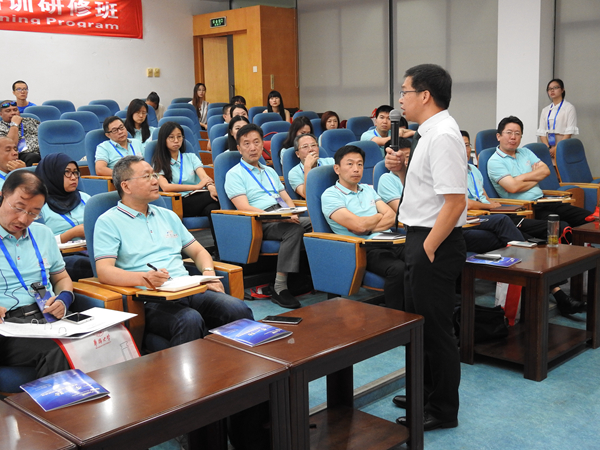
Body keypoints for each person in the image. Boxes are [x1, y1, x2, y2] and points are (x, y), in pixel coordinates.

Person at [94, 155, 253, 348]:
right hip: (149, 299)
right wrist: (144, 278)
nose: (155, 181)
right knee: (189, 319)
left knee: (236, 308)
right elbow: (104, 271)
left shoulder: (167, 215)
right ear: (126, 186)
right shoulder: (108, 222)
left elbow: (199, 252)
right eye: (146, 176)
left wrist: (208, 273)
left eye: (154, 175)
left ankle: (242, 364)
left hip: (187, 289)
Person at [386, 64, 465, 431]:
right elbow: (426, 190)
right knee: (419, 325)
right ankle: (425, 392)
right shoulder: (426, 132)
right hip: (419, 235)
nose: (401, 99)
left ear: (425, 95)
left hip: (434, 241)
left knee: (436, 330)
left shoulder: (443, 135)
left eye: (405, 91)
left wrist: (429, 248)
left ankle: (443, 409)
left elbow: (455, 202)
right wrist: (401, 171)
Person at [460, 129, 584, 315]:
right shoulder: (449, 172)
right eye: (459, 145)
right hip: (472, 219)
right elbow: (465, 203)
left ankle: (554, 291)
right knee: (509, 227)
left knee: (522, 237)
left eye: (467, 145)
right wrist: (489, 206)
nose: (464, 149)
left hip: (489, 216)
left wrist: (492, 205)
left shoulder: (474, 170)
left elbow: (485, 198)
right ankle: (553, 290)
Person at [224, 124, 312, 309]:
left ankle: (310, 277)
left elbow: (285, 197)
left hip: (281, 214)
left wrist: (291, 211)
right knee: (293, 230)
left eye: (256, 142)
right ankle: (280, 288)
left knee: (317, 223)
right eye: (247, 143)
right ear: (239, 148)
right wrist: (279, 217)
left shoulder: (269, 171)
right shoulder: (234, 174)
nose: (253, 147)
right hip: (258, 221)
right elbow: (244, 207)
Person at [0, 171, 72, 378]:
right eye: (18, 208)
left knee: (103, 338)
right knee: (56, 351)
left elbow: (61, 277)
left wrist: (64, 299)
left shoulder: (43, 233)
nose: (23, 219)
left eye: (33, 213)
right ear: (3, 195)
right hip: (6, 325)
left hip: (46, 317)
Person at [322, 145, 405, 310]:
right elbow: (358, 227)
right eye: (350, 164)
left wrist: (369, 226)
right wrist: (378, 216)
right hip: (363, 248)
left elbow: (392, 216)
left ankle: (421, 310)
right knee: (399, 269)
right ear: (337, 169)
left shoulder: (367, 189)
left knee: (422, 256)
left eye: (360, 164)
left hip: (390, 239)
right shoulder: (331, 195)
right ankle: (398, 316)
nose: (356, 169)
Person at [488, 116, 592, 226]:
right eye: (509, 133)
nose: (513, 137)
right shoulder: (495, 161)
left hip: (543, 200)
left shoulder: (525, 152)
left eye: (517, 134)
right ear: (498, 136)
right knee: (560, 226)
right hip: (525, 208)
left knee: (587, 217)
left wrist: (520, 179)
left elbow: (546, 171)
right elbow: (513, 188)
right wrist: (536, 177)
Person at [151, 122, 220, 249]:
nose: (176, 140)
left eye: (179, 136)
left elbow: (204, 177)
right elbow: (166, 187)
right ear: (164, 139)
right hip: (179, 202)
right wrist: (196, 187)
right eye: (171, 137)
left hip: (199, 199)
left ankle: (219, 250)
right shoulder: (158, 162)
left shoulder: (191, 157)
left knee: (213, 208)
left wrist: (210, 187)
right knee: (218, 198)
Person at [35, 153, 93, 282]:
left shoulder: (85, 198)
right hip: (61, 256)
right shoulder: (39, 205)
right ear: (52, 174)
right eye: (67, 172)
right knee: (87, 266)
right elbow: (38, 243)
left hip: (92, 249)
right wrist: (70, 234)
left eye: (75, 172)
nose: (73, 177)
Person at [537, 79, 578, 166]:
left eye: (555, 87)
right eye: (549, 89)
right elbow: (541, 131)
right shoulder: (545, 110)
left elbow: (569, 131)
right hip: (548, 145)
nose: (552, 90)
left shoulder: (569, 107)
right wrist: (548, 148)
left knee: (562, 169)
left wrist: (556, 148)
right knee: (550, 170)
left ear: (562, 90)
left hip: (562, 143)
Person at [288, 133, 334, 199]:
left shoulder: (331, 162)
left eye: (313, 145)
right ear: (297, 154)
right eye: (305, 147)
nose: (311, 149)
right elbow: (307, 195)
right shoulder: (294, 173)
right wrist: (307, 167)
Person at [0, 100, 41, 166]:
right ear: (1, 114)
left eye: (15, 110)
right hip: (16, 156)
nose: (13, 113)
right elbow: (10, 144)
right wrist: (14, 124)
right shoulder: (1, 127)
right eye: (8, 111)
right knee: (33, 157)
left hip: (40, 152)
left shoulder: (30, 121)